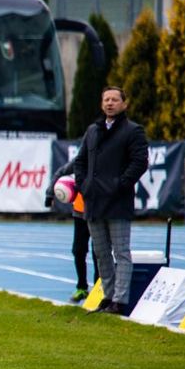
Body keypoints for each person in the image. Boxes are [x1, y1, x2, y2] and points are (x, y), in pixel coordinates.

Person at [73, 86, 149, 315]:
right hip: (94, 202)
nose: (110, 103)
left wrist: (120, 184)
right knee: (101, 252)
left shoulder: (133, 131)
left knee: (121, 252)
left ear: (124, 104)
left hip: (117, 202)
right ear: (101, 103)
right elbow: (80, 161)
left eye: (115, 99)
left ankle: (120, 299)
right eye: (106, 99)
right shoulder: (93, 131)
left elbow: (139, 162)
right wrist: (84, 185)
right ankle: (107, 296)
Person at [46, 156, 97, 303]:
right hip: (80, 212)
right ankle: (82, 287)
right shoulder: (81, 159)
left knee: (98, 252)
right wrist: (50, 193)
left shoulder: (104, 158)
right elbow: (61, 172)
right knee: (78, 250)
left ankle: (98, 288)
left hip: (98, 212)